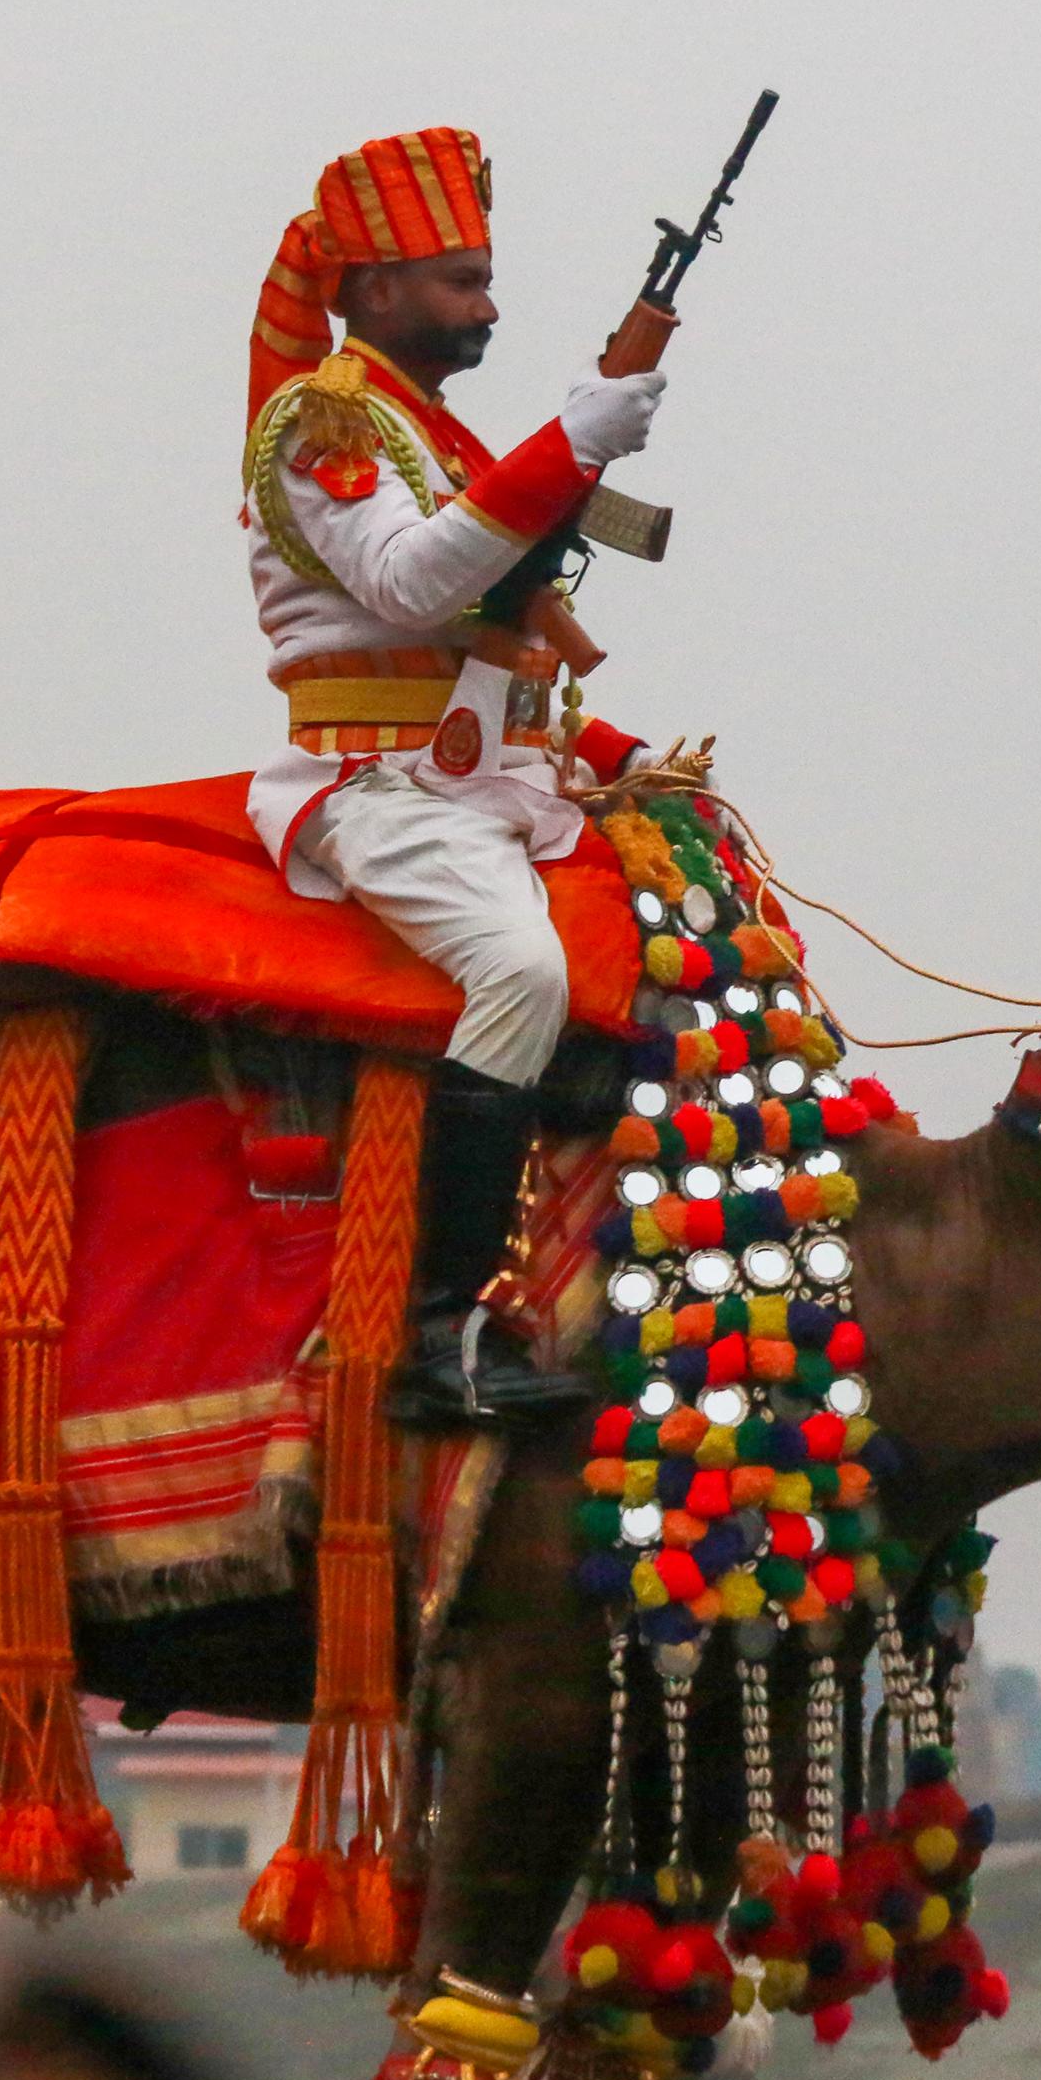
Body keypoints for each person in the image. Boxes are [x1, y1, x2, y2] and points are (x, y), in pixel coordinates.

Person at [236, 128, 670, 1425]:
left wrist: (618, 759)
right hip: (378, 786)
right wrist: (572, 433)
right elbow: (412, 584)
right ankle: (434, 1332)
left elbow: (504, 642)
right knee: (521, 972)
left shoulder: (435, 437)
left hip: (490, 782)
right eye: (458, 280)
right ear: (371, 290)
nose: (486, 305)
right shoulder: (322, 426)